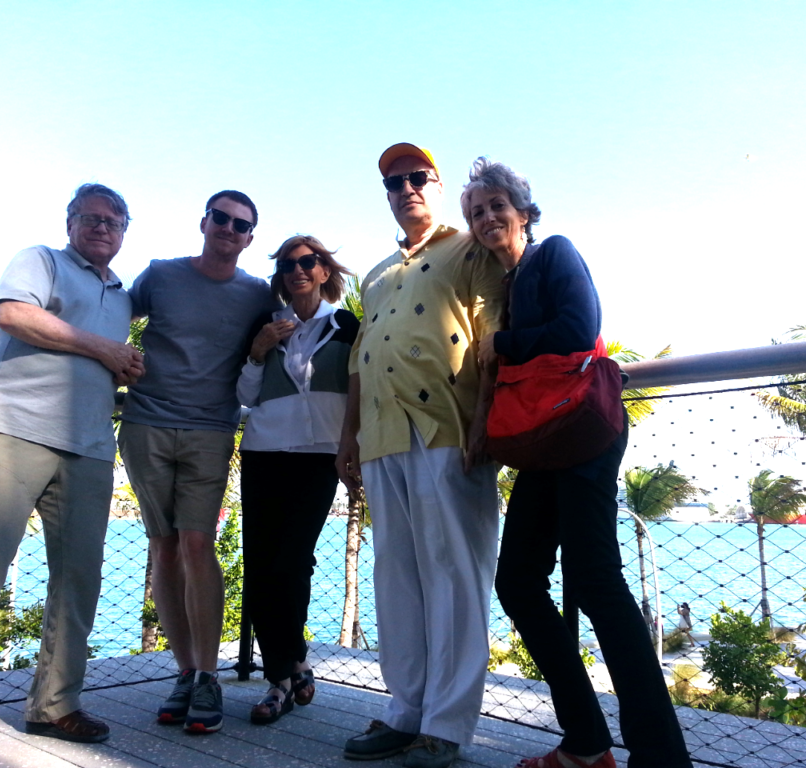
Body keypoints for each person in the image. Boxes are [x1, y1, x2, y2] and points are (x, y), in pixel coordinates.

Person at [466, 157, 693, 768]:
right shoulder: (508, 286)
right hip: (545, 439)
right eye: (477, 212)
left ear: (523, 211)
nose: (489, 218)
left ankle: (660, 756)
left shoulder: (555, 253)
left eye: (496, 207)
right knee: (517, 579)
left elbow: (579, 327)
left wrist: (504, 342)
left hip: (584, 432)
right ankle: (587, 742)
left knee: (596, 582)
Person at [0, 184, 142, 768]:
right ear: (70, 222)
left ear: (125, 233)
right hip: (12, 432)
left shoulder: (122, 297)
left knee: (79, 582)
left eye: (115, 222)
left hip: (90, 447)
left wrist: (125, 362)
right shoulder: (40, 260)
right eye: (91, 218)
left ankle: (54, 704)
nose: (102, 229)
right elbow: (14, 315)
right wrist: (106, 352)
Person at [337, 144, 506, 768]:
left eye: (417, 177)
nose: (405, 187)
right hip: (382, 435)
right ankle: (404, 710)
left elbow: (492, 340)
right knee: (397, 577)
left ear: (436, 186)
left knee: (455, 578)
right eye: (393, 181)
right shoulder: (376, 274)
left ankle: (447, 723)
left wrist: (484, 424)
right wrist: (347, 436)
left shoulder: (469, 248)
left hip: (448, 429)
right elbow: (359, 361)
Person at [118, 190, 279, 734]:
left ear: (250, 238)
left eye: (242, 225)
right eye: (222, 218)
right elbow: (114, 309)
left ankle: (209, 673)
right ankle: (185, 672)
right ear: (204, 222)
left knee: (196, 543)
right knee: (162, 544)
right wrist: (108, 357)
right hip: (145, 424)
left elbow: (299, 321)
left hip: (212, 429)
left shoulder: (257, 293)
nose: (230, 229)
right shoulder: (160, 275)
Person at [235, 235, 358, 725]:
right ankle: (282, 677)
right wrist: (258, 351)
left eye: (309, 262)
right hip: (264, 451)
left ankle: (292, 663)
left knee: (292, 561)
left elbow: (361, 390)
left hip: (319, 456)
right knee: (261, 567)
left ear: (325, 271)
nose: (298, 270)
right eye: (288, 264)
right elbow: (246, 395)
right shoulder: (265, 325)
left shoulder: (347, 325)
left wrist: (356, 447)